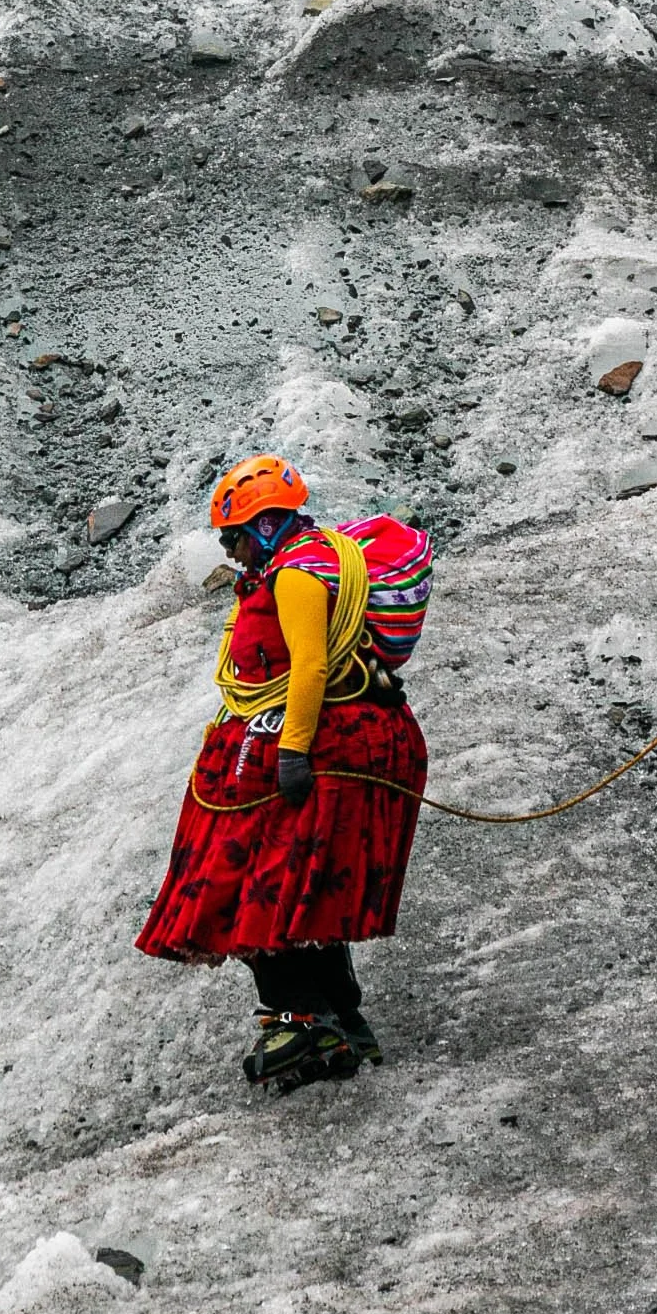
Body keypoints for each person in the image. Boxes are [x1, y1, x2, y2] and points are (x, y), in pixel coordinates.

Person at [137, 456, 430, 1095]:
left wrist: (293, 752)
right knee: (298, 878)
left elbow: (309, 669)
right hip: (307, 742)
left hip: (301, 747)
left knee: (256, 879)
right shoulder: (307, 560)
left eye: (235, 536)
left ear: (267, 525)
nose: (230, 550)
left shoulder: (297, 577)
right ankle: (337, 1013)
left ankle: (299, 1018)